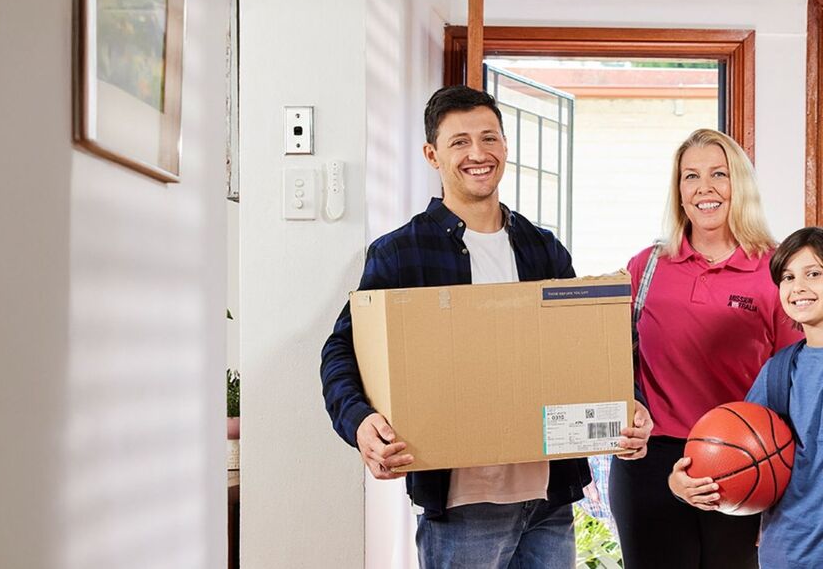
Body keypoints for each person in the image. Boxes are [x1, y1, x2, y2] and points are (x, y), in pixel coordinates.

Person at [320, 85, 653, 569]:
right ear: (432, 155)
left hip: (550, 496)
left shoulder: (542, 248)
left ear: (505, 146)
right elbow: (342, 350)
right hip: (463, 507)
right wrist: (360, 422)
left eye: (489, 138)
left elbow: (586, 344)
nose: (478, 153)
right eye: (460, 142)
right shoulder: (401, 253)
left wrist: (629, 404)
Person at [609, 128, 803, 569]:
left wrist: (780, 488)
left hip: (744, 455)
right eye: (691, 176)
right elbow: (611, 358)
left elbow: (796, 381)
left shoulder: (774, 269)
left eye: (719, 174)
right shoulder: (646, 266)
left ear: (740, 184)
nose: (704, 188)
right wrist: (627, 409)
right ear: (679, 191)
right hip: (652, 462)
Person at [669, 226, 823, 568]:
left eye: (813, 274)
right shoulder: (778, 372)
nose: (798, 287)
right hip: (787, 554)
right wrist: (684, 484)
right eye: (788, 277)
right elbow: (733, 456)